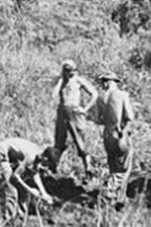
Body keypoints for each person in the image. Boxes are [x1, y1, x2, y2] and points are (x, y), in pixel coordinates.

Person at [89, 71, 135, 208]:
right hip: (120, 134)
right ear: (112, 82)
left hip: (107, 135)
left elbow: (97, 120)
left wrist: (109, 121)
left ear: (105, 83)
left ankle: (119, 199)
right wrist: (123, 130)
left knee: (113, 166)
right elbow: (130, 117)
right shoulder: (122, 95)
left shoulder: (99, 98)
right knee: (124, 168)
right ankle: (108, 194)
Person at [51, 60, 97, 176]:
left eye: (72, 70)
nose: (70, 73)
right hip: (62, 111)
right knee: (59, 141)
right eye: (67, 70)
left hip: (74, 111)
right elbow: (53, 95)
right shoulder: (61, 81)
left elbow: (94, 94)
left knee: (79, 139)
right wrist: (60, 81)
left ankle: (88, 168)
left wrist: (85, 109)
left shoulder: (78, 80)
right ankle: (54, 167)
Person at [0, 136, 54, 222]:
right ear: (45, 158)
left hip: (11, 156)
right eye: (47, 164)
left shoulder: (39, 155)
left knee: (23, 192)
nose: (46, 167)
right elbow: (15, 176)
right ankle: (7, 220)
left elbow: (34, 173)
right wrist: (31, 190)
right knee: (12, 191)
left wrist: (44, 193)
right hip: (2, 152)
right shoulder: (32, 156)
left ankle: (20, 217)